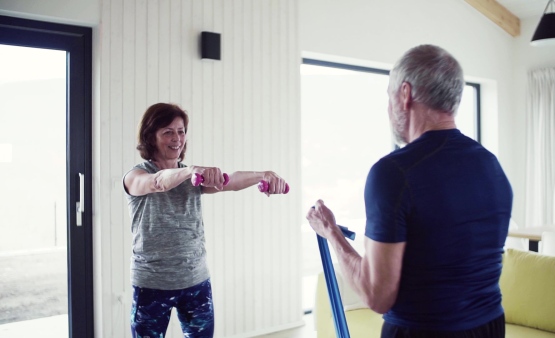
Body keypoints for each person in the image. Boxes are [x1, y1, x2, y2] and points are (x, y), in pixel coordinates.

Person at [306, 44, 512, 338]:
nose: (389, 108)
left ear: (404, 94)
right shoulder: (492, 166)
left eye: (389, 96)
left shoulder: (393, 173)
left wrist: (332, 232)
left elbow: (376, 295)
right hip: (490, 327)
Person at [123, 102, 288, 338]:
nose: (177, 138)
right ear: (150, 137)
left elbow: (230, 180)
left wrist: (263, 175)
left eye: (181, 131)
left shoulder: (193, 177)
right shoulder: (136, 176)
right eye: (168, 132)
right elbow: (158, 182)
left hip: (196, 281)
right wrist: (191, 171)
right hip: (152, 284)